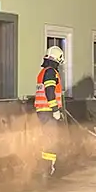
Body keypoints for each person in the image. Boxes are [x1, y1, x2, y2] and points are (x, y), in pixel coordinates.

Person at [34, 45, 65, 177]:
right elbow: (50, 90)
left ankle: (46, 168)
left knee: (48, 138)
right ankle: (46, 169)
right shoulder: (51, 72)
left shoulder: (44, 71)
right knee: (51, 139)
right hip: (48, 111)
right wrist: (55, 109)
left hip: (43, 111)